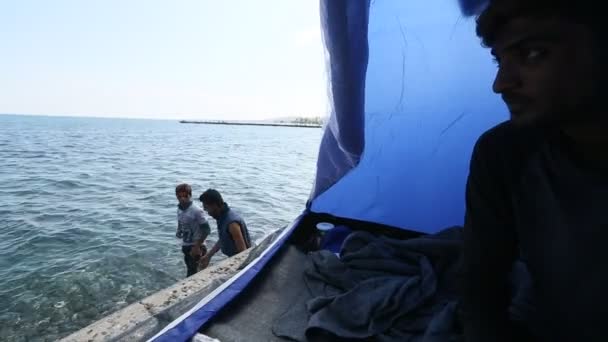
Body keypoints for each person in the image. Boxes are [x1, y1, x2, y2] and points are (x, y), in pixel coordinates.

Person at [461, 1, 608, 341]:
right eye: (499, 61)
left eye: (532, 54)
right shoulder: (502, 154)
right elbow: (480, 290)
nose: (501, 84)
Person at [198, 189, 252, 267]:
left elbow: (242, 252)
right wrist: (208, 256)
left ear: (214, 205)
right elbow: (223, 238)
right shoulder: (221, 216)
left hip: (241, 260)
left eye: (207, 208)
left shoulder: (232, 223)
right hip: (233, 258)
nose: (208, 213)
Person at [175, 183, 210, 277]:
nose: (182, 199)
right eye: (179, 196)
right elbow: (180, 220)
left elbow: (206, 229)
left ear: (190, 195)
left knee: (195, 273)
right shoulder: (179, 209)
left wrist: (197, 247)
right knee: (190, 268)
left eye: (185, 196)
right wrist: (179, 230)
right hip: (186, 243)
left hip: (197, 245)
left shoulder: (196, 210)